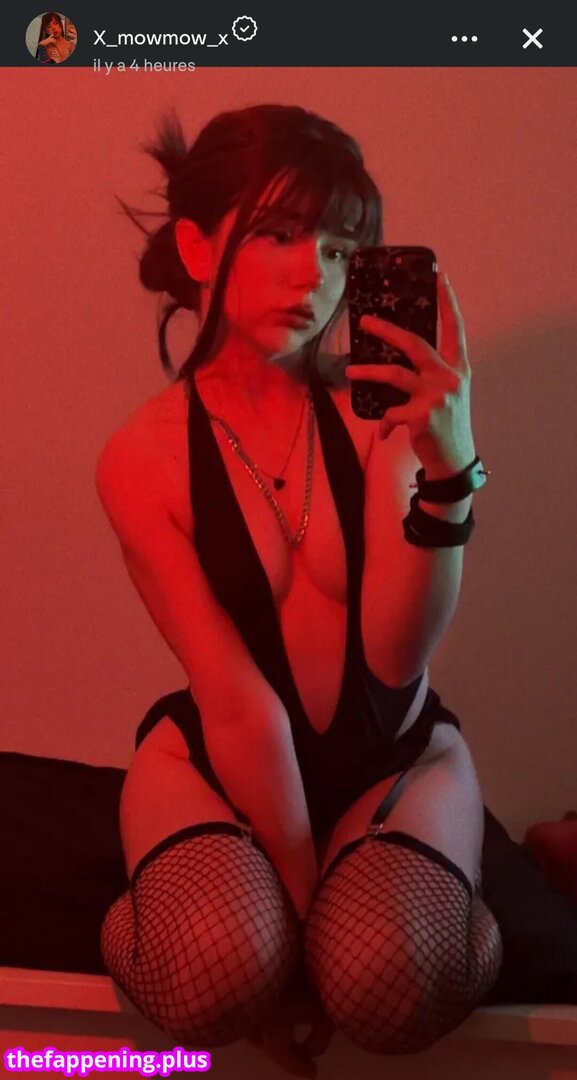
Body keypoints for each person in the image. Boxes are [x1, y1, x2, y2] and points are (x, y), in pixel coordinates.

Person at [96, 104, 503, 1074]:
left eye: (336, 250)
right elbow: (238, 704)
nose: (311, 276)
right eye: (277, 235)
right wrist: (300, 903)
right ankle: (135, 912)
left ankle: (474, 912)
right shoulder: (142, 457)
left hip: (389, 751)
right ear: (197, 246)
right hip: (223, 756)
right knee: (215, 969)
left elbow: (395, 659)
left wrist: (446, 470)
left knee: (386, 978)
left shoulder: (375, 423)